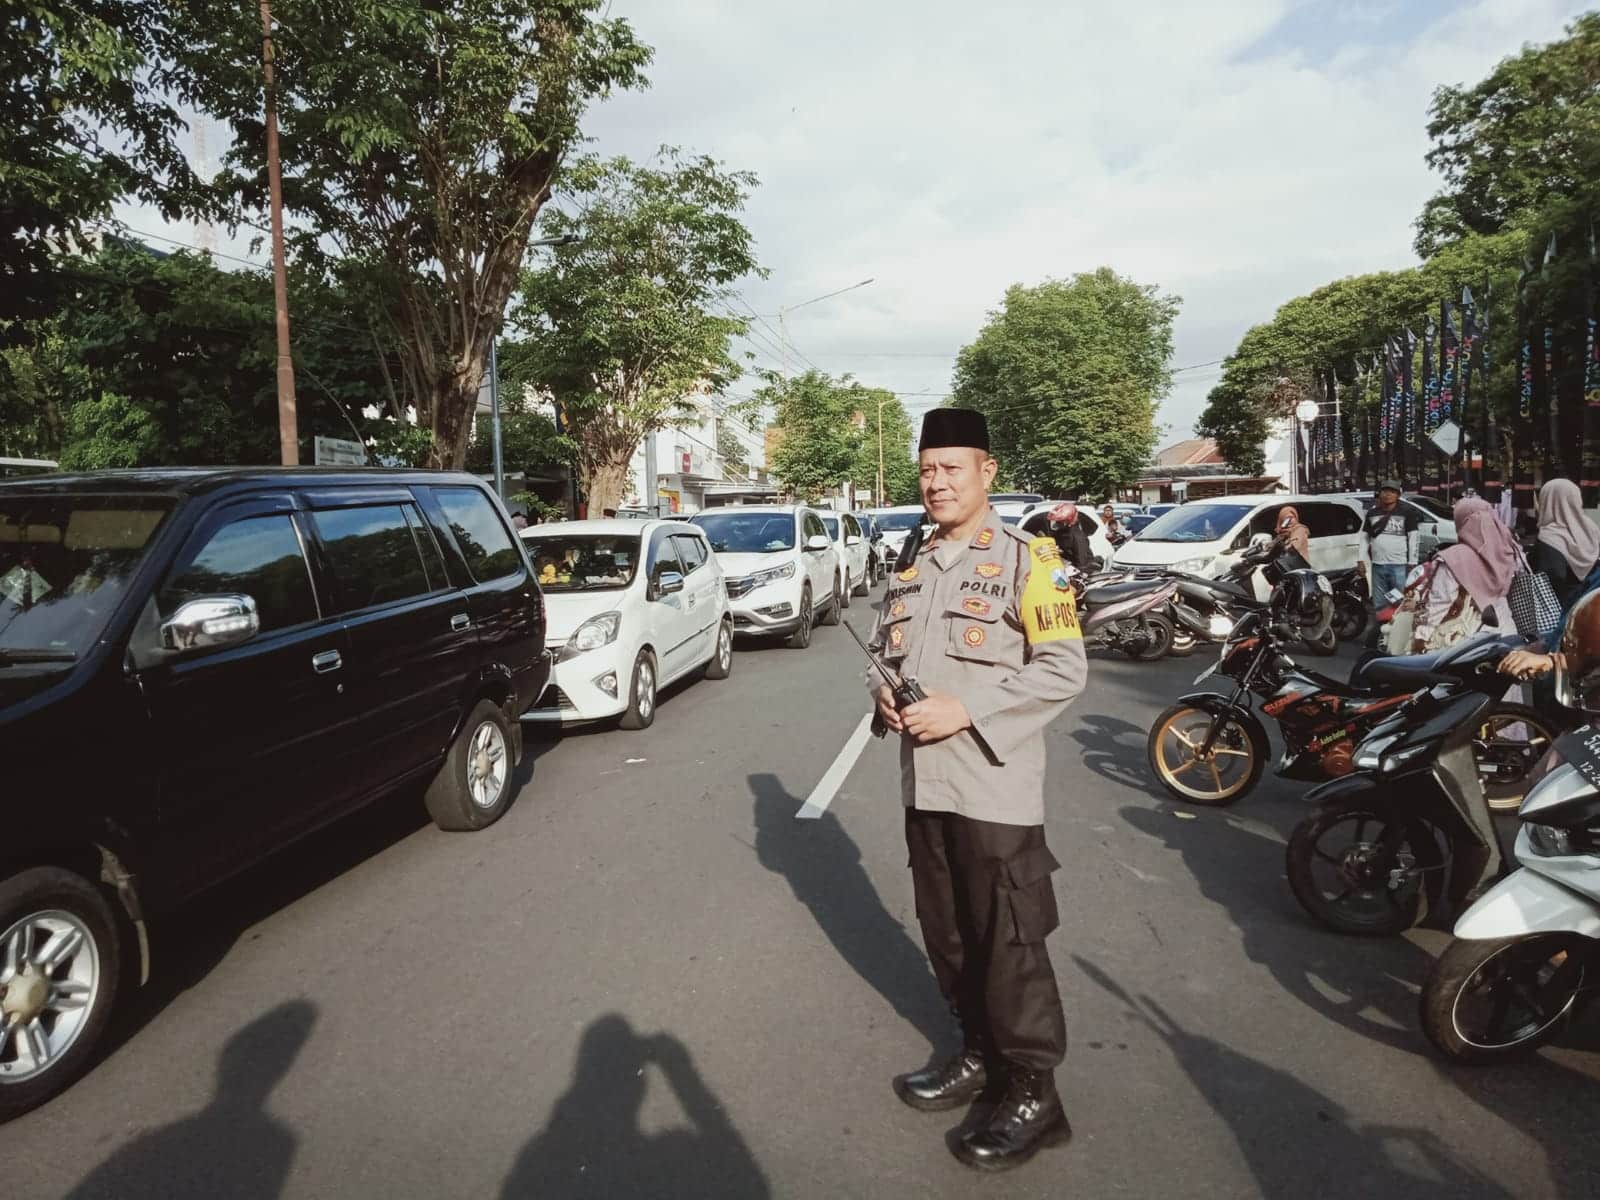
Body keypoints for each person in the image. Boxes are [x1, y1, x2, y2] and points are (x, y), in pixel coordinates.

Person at [868, 407, 1088, 1171]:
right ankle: (978, 1055)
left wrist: (965, 709)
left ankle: (1034, 1092)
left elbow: (1063, 667)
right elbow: (884, 652)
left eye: (951, 469)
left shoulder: (1030, 562)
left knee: (1010, 943)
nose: (936, 483)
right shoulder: (913, 563)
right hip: (925, 787)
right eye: (927, 470)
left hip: (994, 788)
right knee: (950, 933)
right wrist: (882, 693)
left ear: (986, 472)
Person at [1499, 478, 1600, 682]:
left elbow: (1553, 575)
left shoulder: (1550, 536)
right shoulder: (1591, 530)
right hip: (1588, 611)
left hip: (1562, 613)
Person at [1398, 496, 1517, 654]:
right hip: (1506, 634)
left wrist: (1422, 637)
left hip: (1467, 640)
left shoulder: (1454, 558)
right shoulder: (1508, 552)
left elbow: (1440, 602)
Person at [1363, 481, 1419, 603]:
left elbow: (1413, 537)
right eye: (1385, 491)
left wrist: (1412, 562)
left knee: (1398, 600)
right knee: (1380, 601)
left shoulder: (1407, 512)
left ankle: (1395, 615)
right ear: (1380, 493)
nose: (1388, 494)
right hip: (1377, 565)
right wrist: (1360, 559)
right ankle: (1381, 615)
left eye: (1392, 492)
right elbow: (1365, 537)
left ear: (1398, 495)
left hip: (1399, 565)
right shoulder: (1372, 513)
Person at [1045, 502, 1094, 573]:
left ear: (1067, 521)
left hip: (1079, 572)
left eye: (1059, 522)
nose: (1056, 524)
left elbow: (1082, 562)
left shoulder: (1077, 536)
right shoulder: (1060, 533)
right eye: (1056, 522)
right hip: (1061, 568)